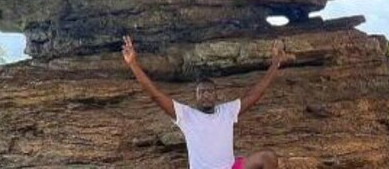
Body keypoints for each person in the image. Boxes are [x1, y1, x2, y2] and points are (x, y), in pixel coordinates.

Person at [122, 35, 295, 169]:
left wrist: (275, 63)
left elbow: (256, 93)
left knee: (268, 157)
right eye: (201, 92)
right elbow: (155, 95)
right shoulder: (186, 115)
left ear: (216, 95)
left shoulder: (227, 111)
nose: (205, 94)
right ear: (195, 97)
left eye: (209, 91)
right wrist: (133, 64)